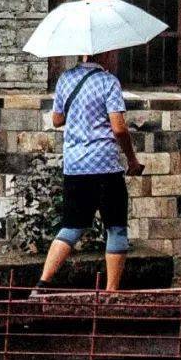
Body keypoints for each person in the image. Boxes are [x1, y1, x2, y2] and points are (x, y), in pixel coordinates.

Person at [37, 51, 143, 293]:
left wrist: (79, 116)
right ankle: (111, 292)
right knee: (115, 227)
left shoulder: (65, 79)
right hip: (105, 167)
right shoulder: (109, 82)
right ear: (105, 55)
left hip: (75, 167)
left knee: (72, 226)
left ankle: (43, 284)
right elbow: (119, 128)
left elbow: (56, 119)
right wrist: (132, 160)